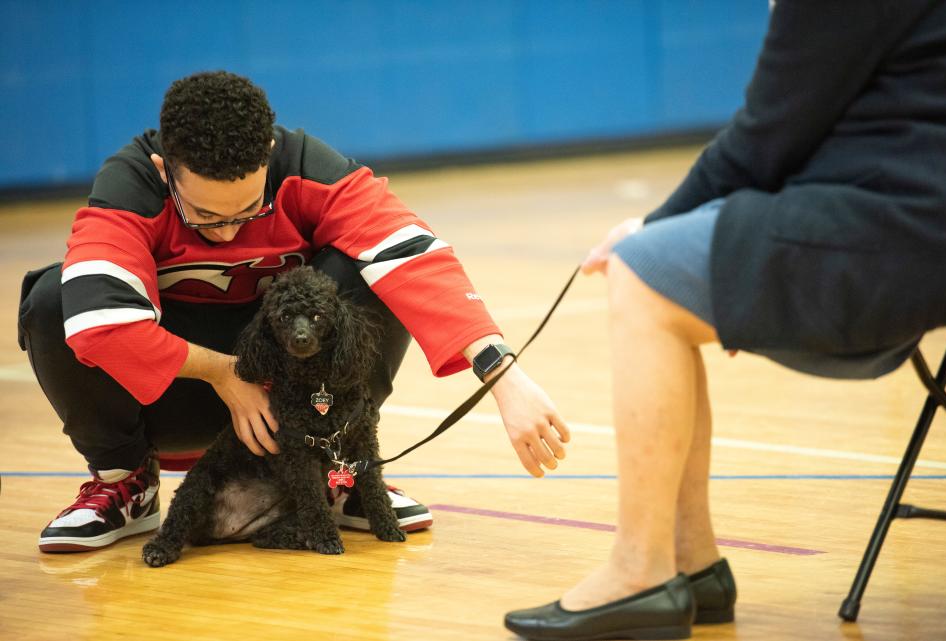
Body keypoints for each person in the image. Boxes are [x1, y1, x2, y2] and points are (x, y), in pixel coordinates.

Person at [504, 1, 946, 639]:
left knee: (641, 272)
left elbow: (768, 134)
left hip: (910, 226)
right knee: (661, 266)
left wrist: (653, 228)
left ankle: (642, 570)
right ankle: (692, 567)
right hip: (926, 214)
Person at [17, 70, 570, 553]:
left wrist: (504, 375)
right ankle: (126, 480)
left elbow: (413, 256)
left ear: (269, 155)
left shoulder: (307, 165)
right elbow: (100, 327)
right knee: (55, 298)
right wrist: (223, 373)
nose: (230, 231)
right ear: (166, 171)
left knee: (373, 270)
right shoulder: (129, 186)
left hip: (299, 395)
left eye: (248, 210)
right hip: (179, 392)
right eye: (207, 216)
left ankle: (339, 470)